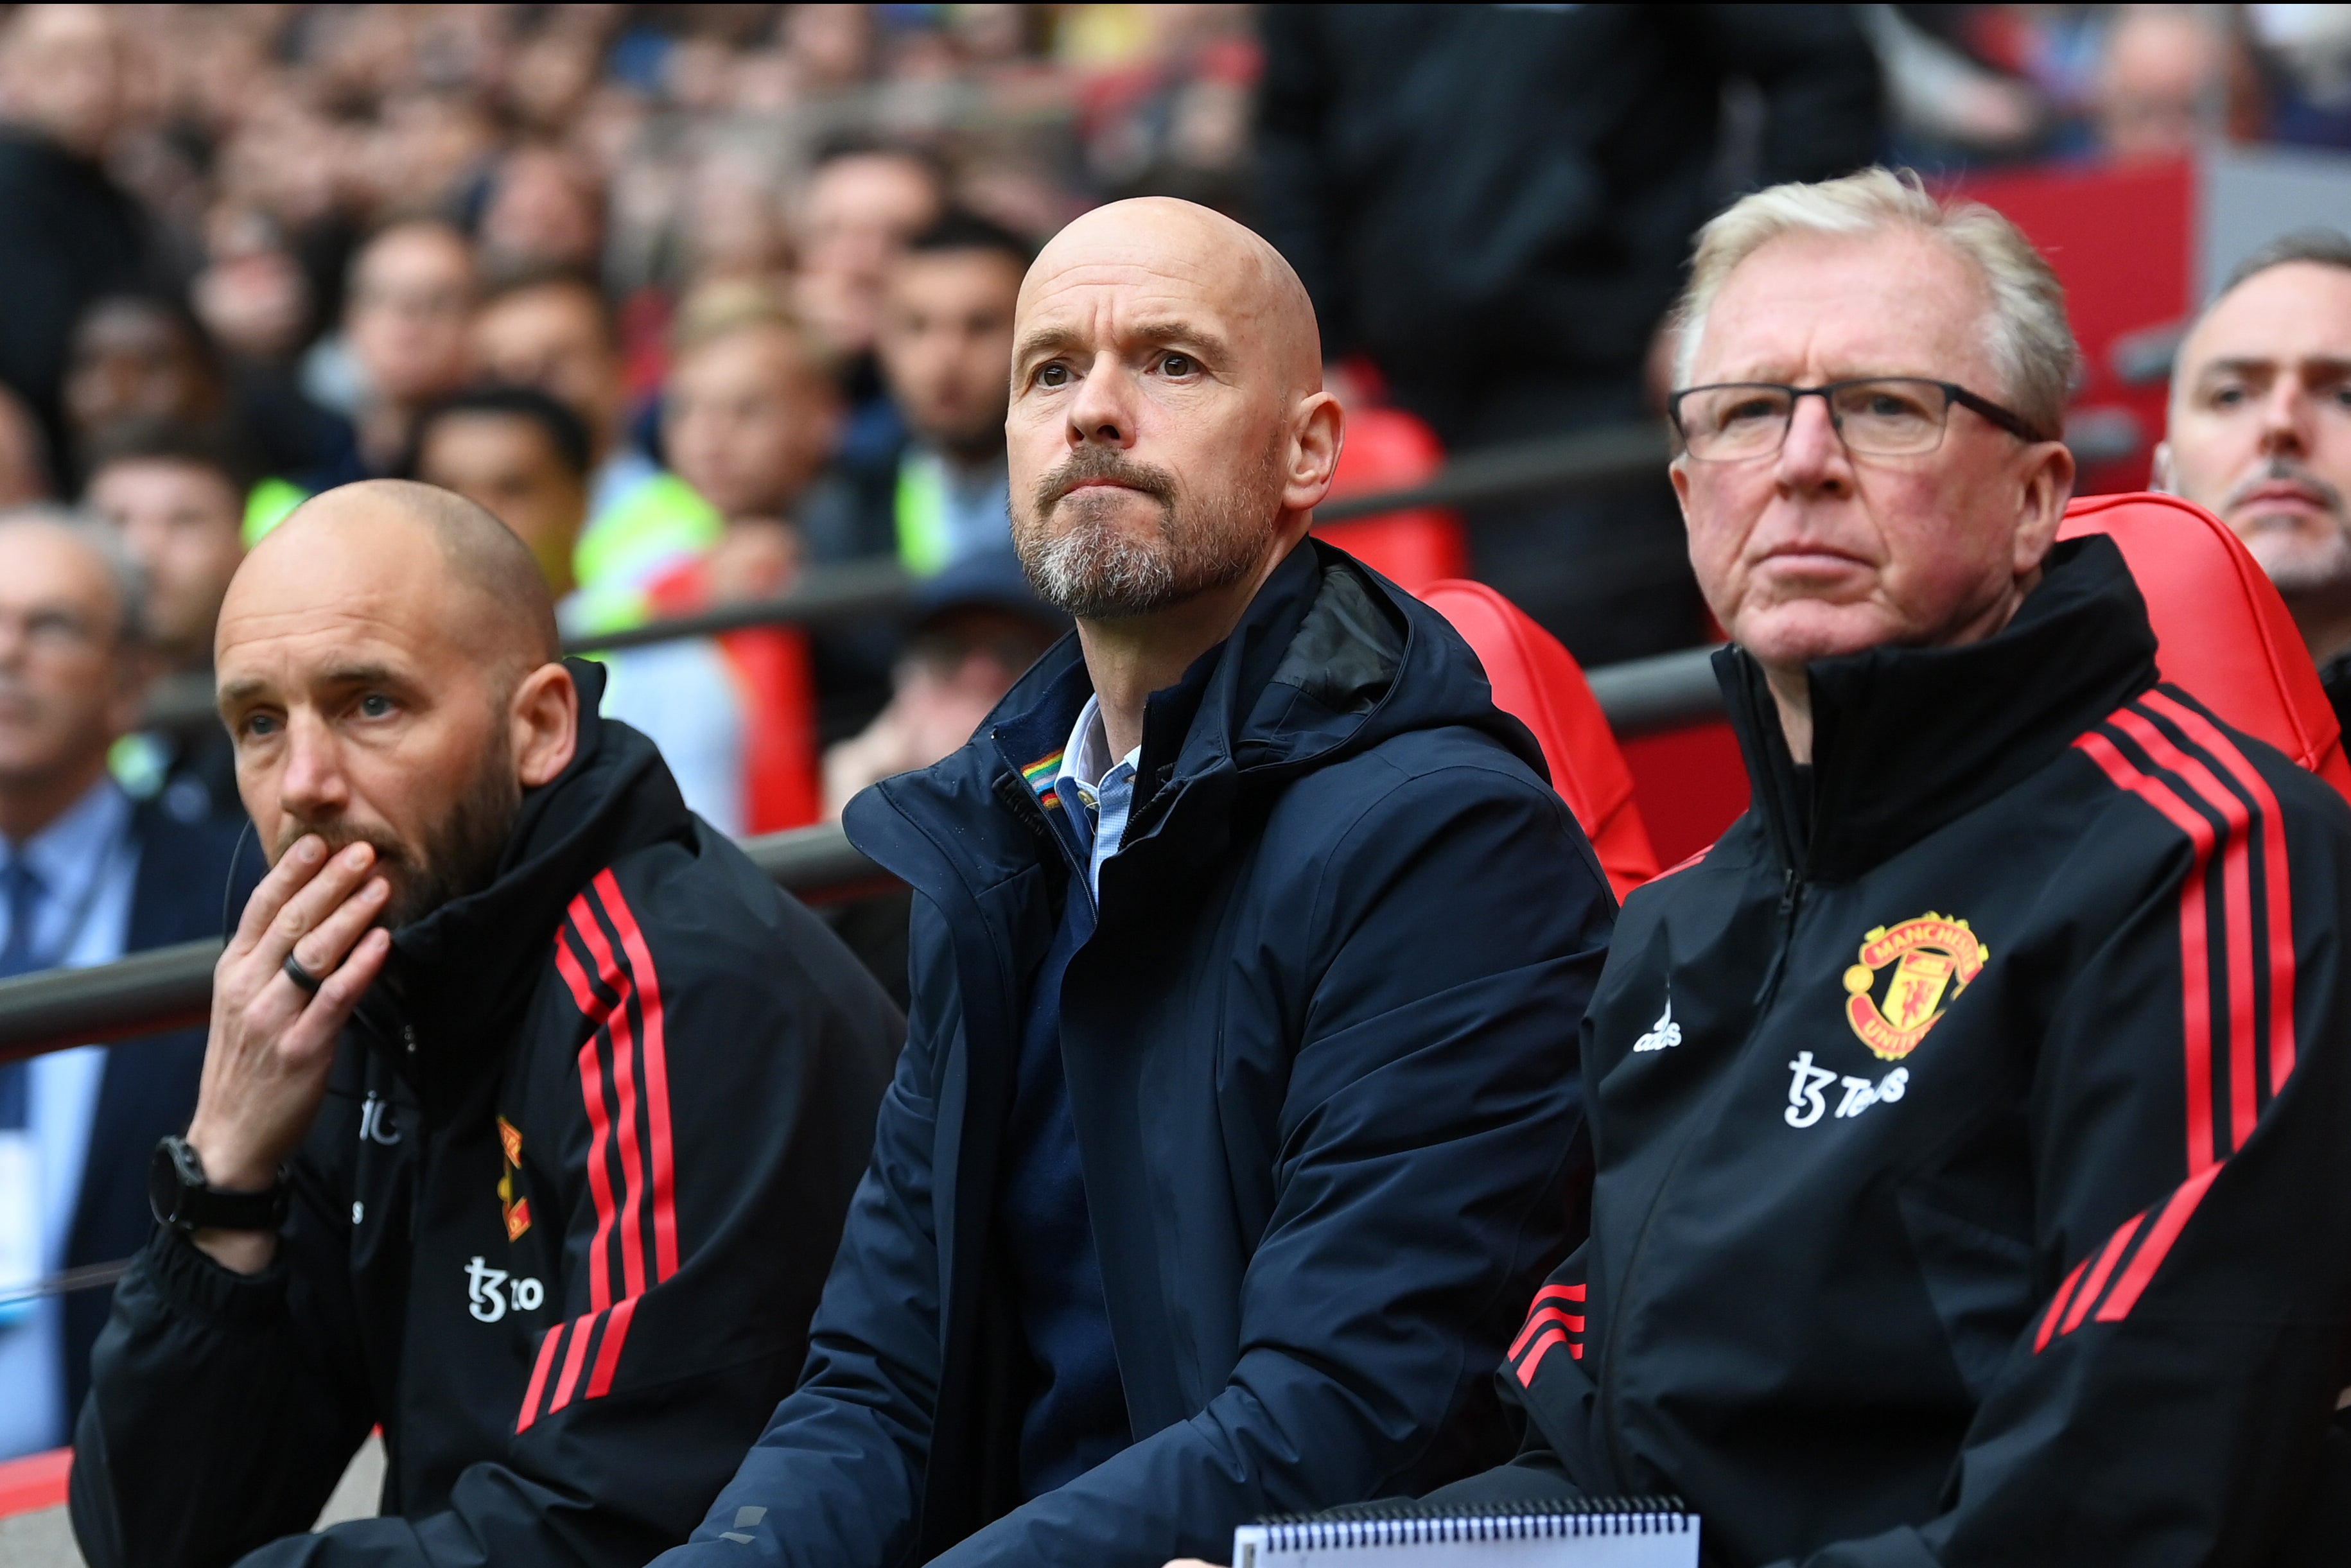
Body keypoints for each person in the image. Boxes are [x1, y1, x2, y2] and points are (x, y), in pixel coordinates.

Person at [1379, 168, 2351, 1563]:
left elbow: (2119, 1493)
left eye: (1889, 408)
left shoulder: (2204, 855)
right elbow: (1591, 1461)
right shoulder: (1679, 925)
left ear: (2037, 498)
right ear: (1686, 495)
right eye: (1748, 414)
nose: (1802, 462)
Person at [657, 196, 1613, 1567]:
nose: (1092, 411)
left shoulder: (1449, 842)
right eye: (1049, 371)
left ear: (1308, 451)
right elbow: (878, 1379)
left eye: (1171, 363)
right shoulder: (994, 833)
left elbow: (1344, 1417)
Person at [70, 480, 904, 1564]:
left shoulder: (672, 987)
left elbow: (607, 1523)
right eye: (260, 724)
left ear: (541, 726)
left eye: (372, 703)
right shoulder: (372, 977)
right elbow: (152, 1533)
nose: (305, 783)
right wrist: (224, 1167)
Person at [1254, 4, 1880, 667]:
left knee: (1571, 704)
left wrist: (1722, 302)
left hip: (1598, 386)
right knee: (1380, 697)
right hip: (1392, 397)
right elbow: (1292, 130)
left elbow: (1821, 70)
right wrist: (1315, 338)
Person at [0, 507, 254, 1459]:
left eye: (50, 624)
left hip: (138, 1466)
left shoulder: (235, 896)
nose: (7, 652)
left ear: (132, 681)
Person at [409, 385, 751, 835]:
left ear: (582, 500)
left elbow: (699, 867)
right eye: (445, 491)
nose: (474, 517)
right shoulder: (385, 664)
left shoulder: (669, 665)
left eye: (512, 489)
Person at [2154, 229, 2351, 735]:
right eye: (2232, 396)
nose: (2279, 424)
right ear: (2163, 478)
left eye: (2343, 397)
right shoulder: (2053, 738)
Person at [468, 268, 717, 632]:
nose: (522, 394)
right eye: (497, 374)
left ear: (620, 373)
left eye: (553, 366)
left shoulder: (686, 533)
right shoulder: (448, 519)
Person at [82, 420, 254, 821]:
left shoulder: (288, 721)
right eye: (116, 521)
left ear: (243, 548)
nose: (143, 551)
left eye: (184, 522)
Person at [0, 5, 146, 460]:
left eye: (113, 59)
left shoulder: (103, 185)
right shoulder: (15, 181)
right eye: (65, 60)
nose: (97, 80)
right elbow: (43, 358)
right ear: (14, 75)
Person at [64, 291, 359, 507]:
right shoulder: (48, 523)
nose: (119, 393)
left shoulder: (301, 515)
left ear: (212, 380)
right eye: (92, 365)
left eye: (153, 366)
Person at [856, 211, 1029, 575]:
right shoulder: (848, 500)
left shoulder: (1095, 493)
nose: (945, 359)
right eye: (917, 327)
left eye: (981, 326)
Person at [340, 220, 480, 474]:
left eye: (437, 302)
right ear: (351, 320)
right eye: (381, 297)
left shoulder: (507, 471)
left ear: (478, 320)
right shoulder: (301, 453)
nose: (406, 319)